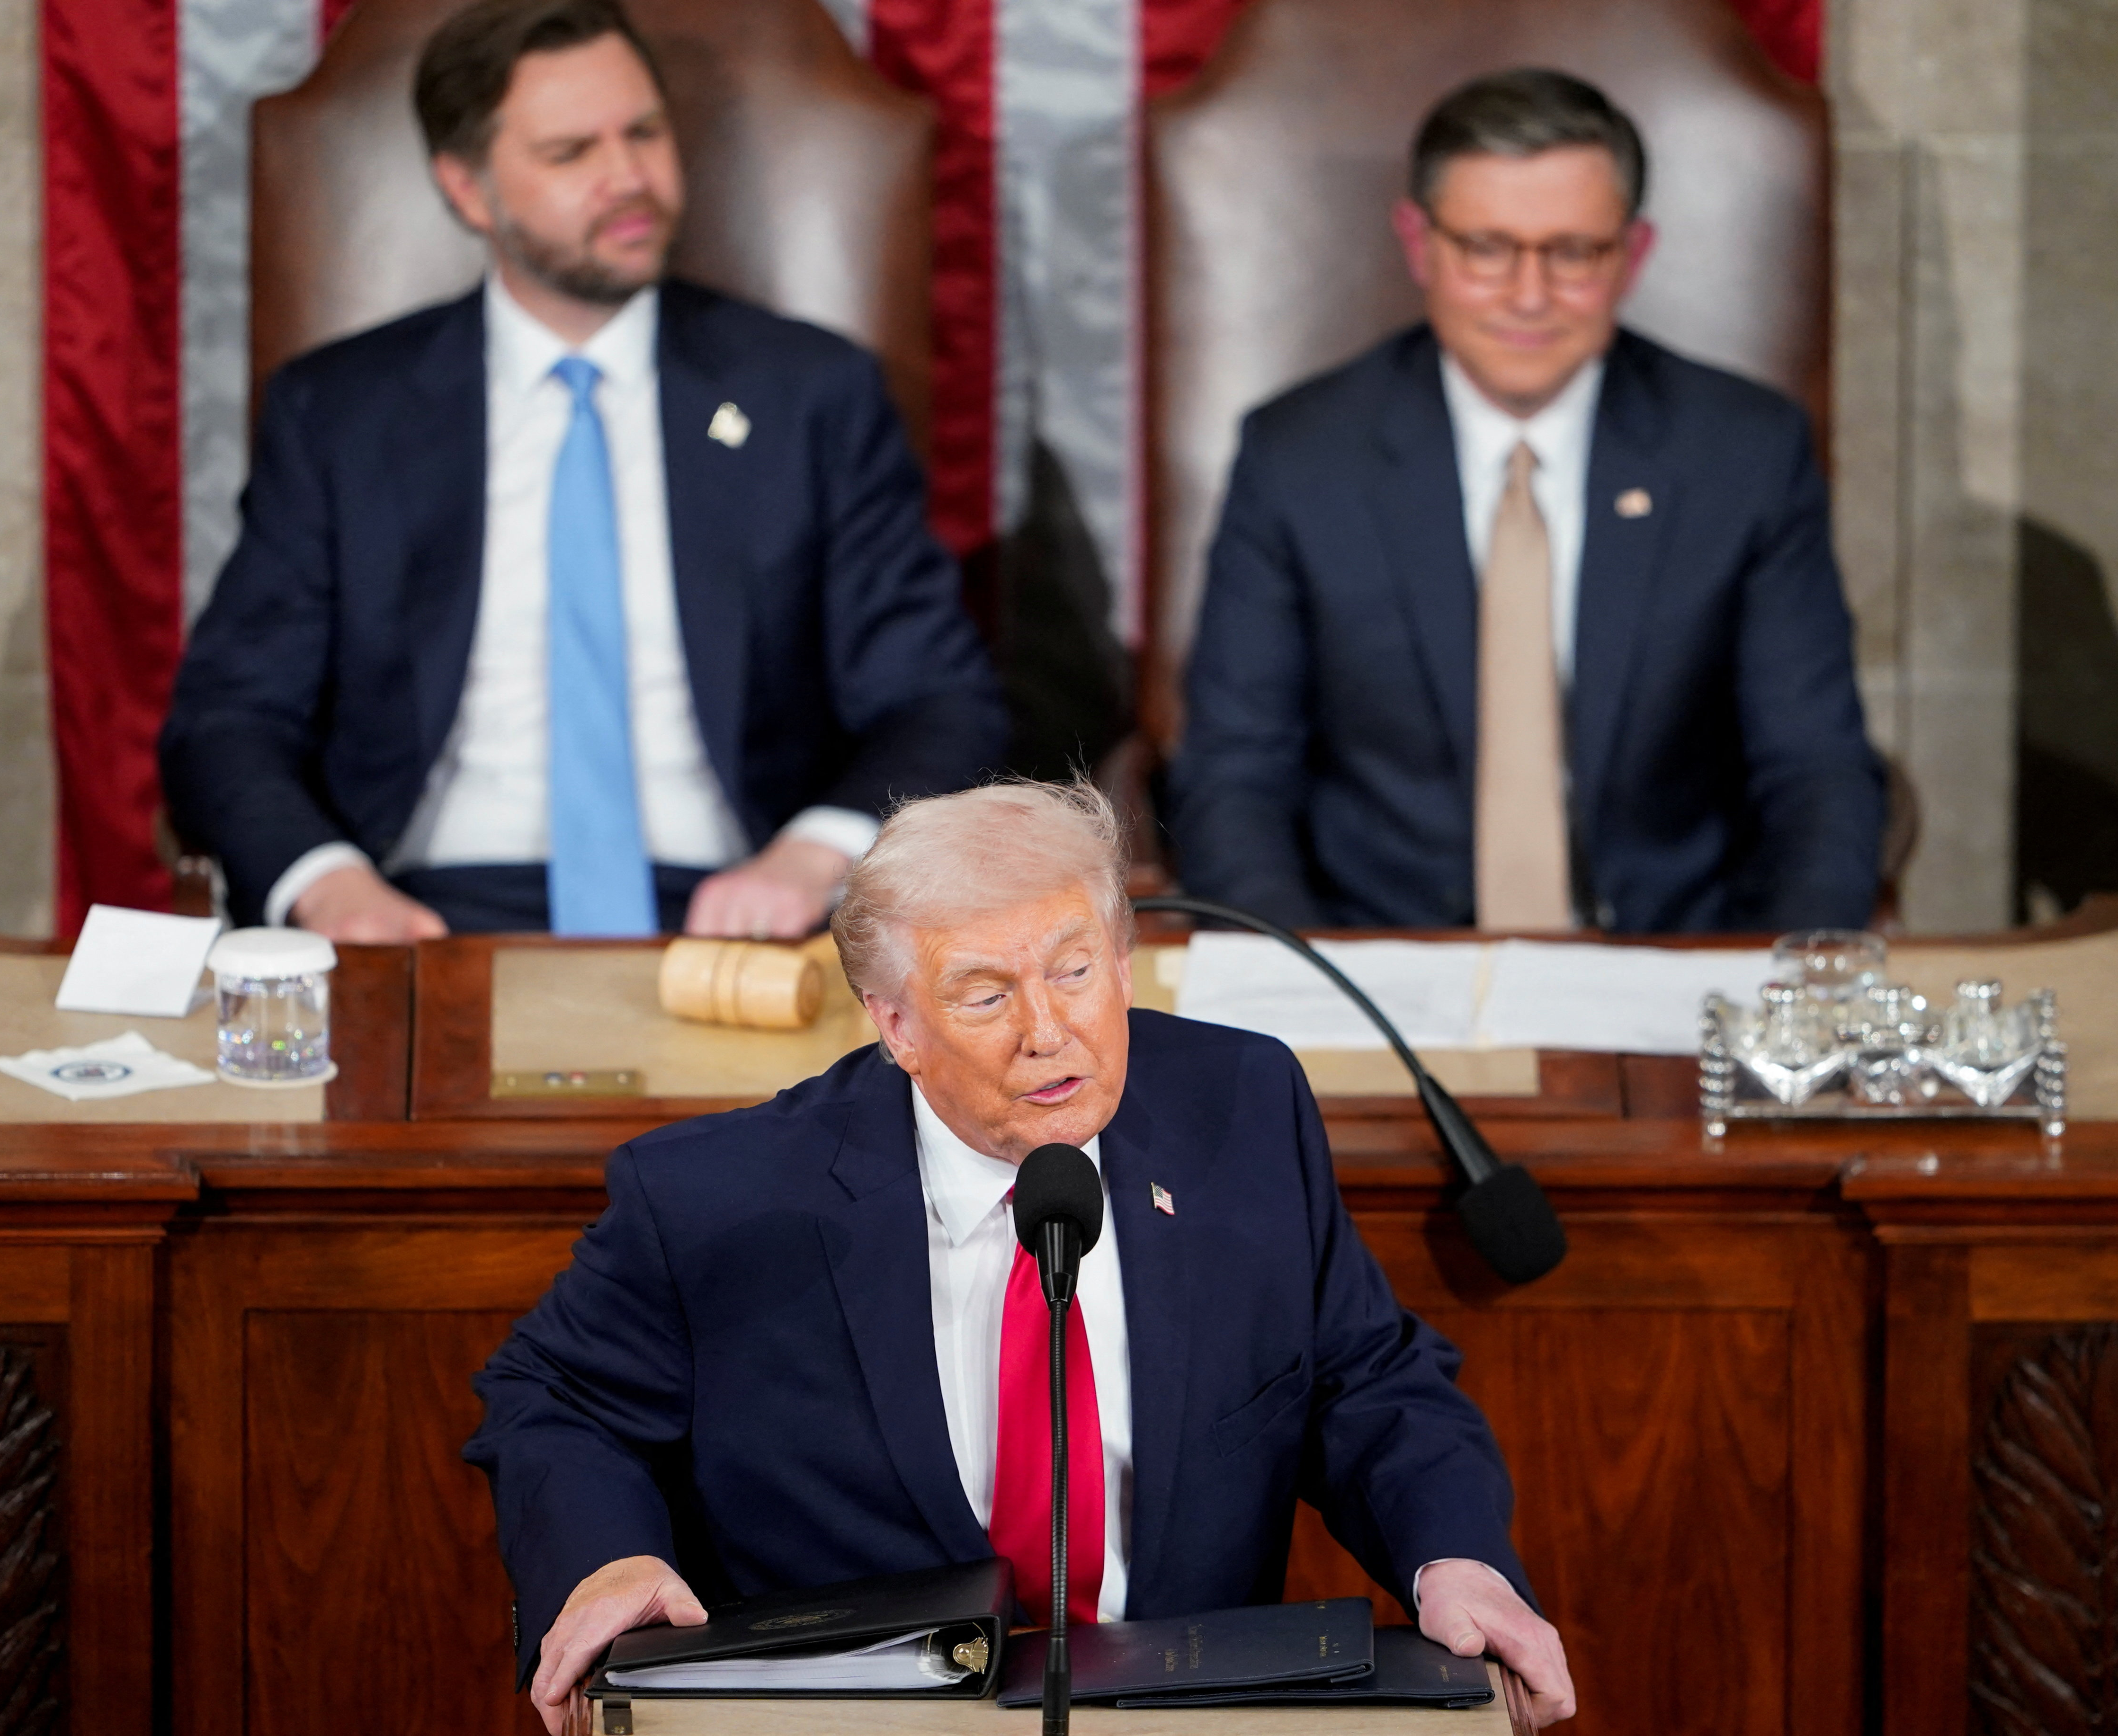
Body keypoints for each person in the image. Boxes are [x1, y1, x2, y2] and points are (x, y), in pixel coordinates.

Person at [465, 779, 1577, 1730]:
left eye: (1075, 970)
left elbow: (1363, 1378)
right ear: (894, 1023)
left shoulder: (1242, 1111)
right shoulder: (717, 1196)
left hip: (1184, 1712)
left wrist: (1454, 1557)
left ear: (1124, 961)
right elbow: (553, 1397)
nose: (1048, 1031)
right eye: (985, 993)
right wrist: (602, 1559)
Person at [160, 0, 1004, 940]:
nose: (629, 178)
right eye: (571, 154)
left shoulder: (807, 395)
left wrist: (813, 856)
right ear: (468, 190)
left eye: (642, 133)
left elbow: (937, 698)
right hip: (420, 913)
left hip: (739, 911)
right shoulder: (341, 415)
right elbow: (230, 718)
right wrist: (328, 887)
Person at [1169, 69, 1882, 935]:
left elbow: (1815, 771)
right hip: (1380, 960)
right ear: (1419, 245)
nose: (1531, 295)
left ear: (1634, 255)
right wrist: (1307, 987)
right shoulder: (1300, 458)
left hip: (1671, 962)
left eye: (1574, 252)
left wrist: (1788, 992)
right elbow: (1236, 776)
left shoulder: (1744, 454)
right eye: (1488, 248)